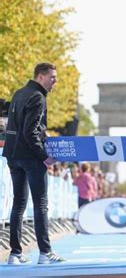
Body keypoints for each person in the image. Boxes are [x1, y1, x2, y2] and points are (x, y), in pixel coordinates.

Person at [2, 63, 66, 264]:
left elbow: (18, 126)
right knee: (40, 205)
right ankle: (45, 253)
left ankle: (15, 253)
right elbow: (30, 132)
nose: (55, 81)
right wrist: (44, 156)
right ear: (40, 77)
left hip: (13, 155)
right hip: (30, 157)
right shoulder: (38, 97)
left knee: (18, 204)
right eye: (52, 77)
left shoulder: (20, 93)